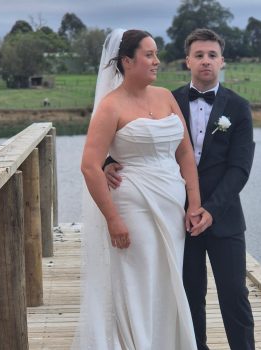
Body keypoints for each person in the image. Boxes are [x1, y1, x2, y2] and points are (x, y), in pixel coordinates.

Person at [105, 28, 256, 350]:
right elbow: (134, 136)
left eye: (212, 55)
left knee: (235, 296)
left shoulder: (239, 108)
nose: (206, 62)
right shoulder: (166, 99)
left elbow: (240, 169)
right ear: (188, 61)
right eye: (199, 55)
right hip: (174, 214)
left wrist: (210, 210)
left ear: (222, 61)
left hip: (224, 217)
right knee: (187, 295)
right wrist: (107, 163)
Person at [73, 28, 210, 350]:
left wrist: (194, 204)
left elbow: (185, 152)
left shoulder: (165, 96)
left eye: (156, 54)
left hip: (172, 205)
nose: (156, 61)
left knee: (166, 280)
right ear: (127, 61)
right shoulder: (110, 106)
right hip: (133, 207)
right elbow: (90, 166)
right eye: (149, 55)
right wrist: (112, 219)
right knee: (139, 281)